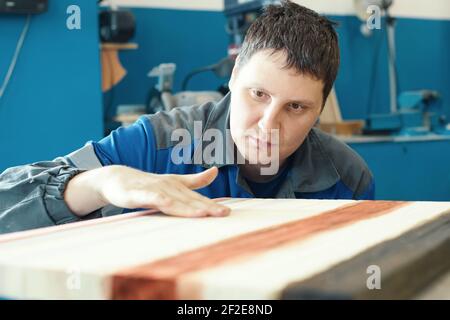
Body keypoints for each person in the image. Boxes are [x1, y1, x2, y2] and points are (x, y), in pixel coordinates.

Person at [0, 1, 374, 235]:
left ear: (319, 109)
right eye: (258, 94)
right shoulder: (157, 143)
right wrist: (98, 183)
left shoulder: (348, 179)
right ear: (232, 77)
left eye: (296, 107)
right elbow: (6, 203)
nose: (267, 125)